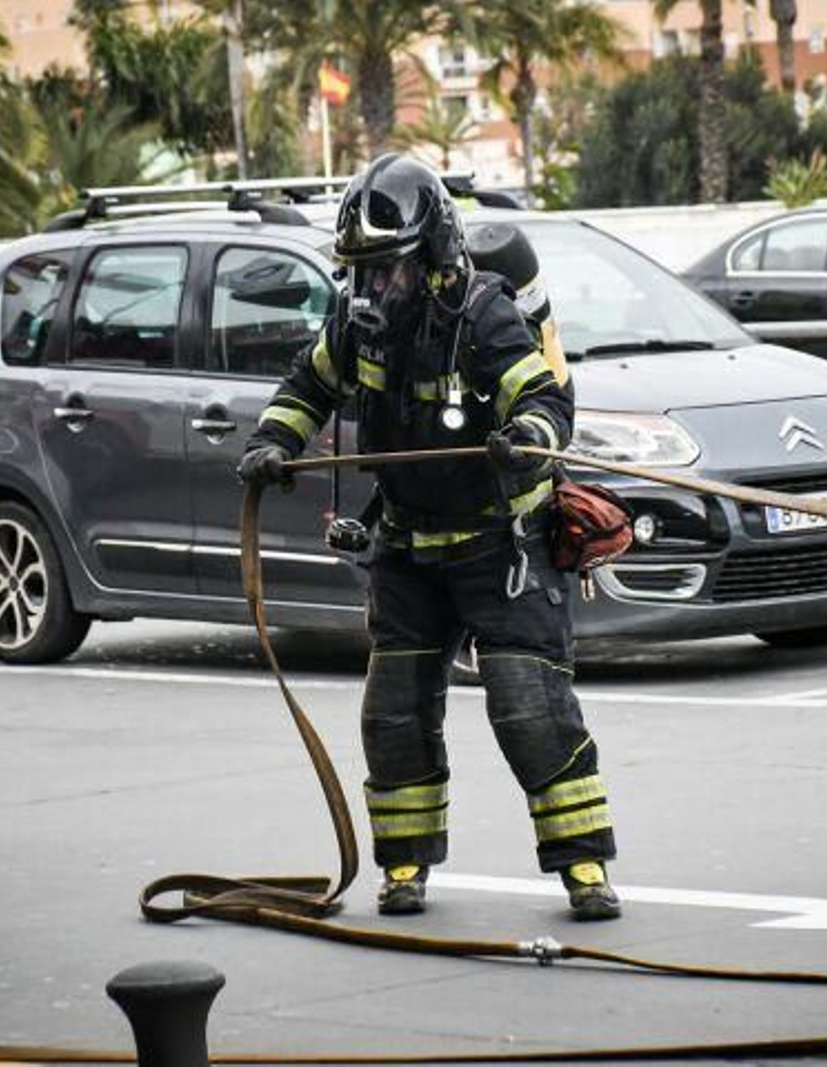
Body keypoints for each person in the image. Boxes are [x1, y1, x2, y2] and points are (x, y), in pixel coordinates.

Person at [238, 154, 621, 922]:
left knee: (529, 707)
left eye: (385, 271)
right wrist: (276, 440)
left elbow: (544, 398)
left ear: (433, 254)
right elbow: (309, 384)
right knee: (396, 712)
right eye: (359, 272)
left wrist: (526, 437)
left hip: (500, 545)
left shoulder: (482, 313)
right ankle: (404, 868)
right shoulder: (356, 322)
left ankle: (585, 868)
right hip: (409, 549)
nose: (368, 289)